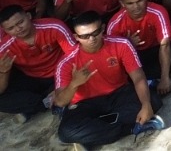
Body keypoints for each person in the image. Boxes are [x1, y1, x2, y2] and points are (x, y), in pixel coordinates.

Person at [51, 10, 164, 145]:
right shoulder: (66, 62)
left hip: (118, 94)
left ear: (103, 28)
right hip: (85, 104)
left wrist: (146, 105)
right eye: (85, 36)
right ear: (76, 37)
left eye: (95, 33)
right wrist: (74, 83)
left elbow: (138, 77)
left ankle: (93, 135)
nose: (92, 39)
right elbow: (60, 102)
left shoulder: (121, 44)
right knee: (66, 132)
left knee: (153, 100)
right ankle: (130, 128)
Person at [0, 6, 73, 120]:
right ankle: (45, 103)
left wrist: (62, 85)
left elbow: (76, 57)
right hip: (32, 78)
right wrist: (3, 72)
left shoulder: (54, 27)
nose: (18, 29)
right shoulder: (4, 47)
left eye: (20, 22)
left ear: (28, 16)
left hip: (60, 74)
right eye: (11, 28)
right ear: (5, 31)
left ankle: (36, 106)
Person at [107, 0, 171, 95]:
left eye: (139, 1)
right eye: (130, 3)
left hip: (156, 49)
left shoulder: (158, 11)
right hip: (134, 55)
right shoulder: (115, 23)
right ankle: (148, 81)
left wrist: (165, 78)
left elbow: (164, 45)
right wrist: (128, 45)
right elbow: (113, 58)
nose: (136, 7)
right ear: (122, 3)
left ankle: (151, 81)